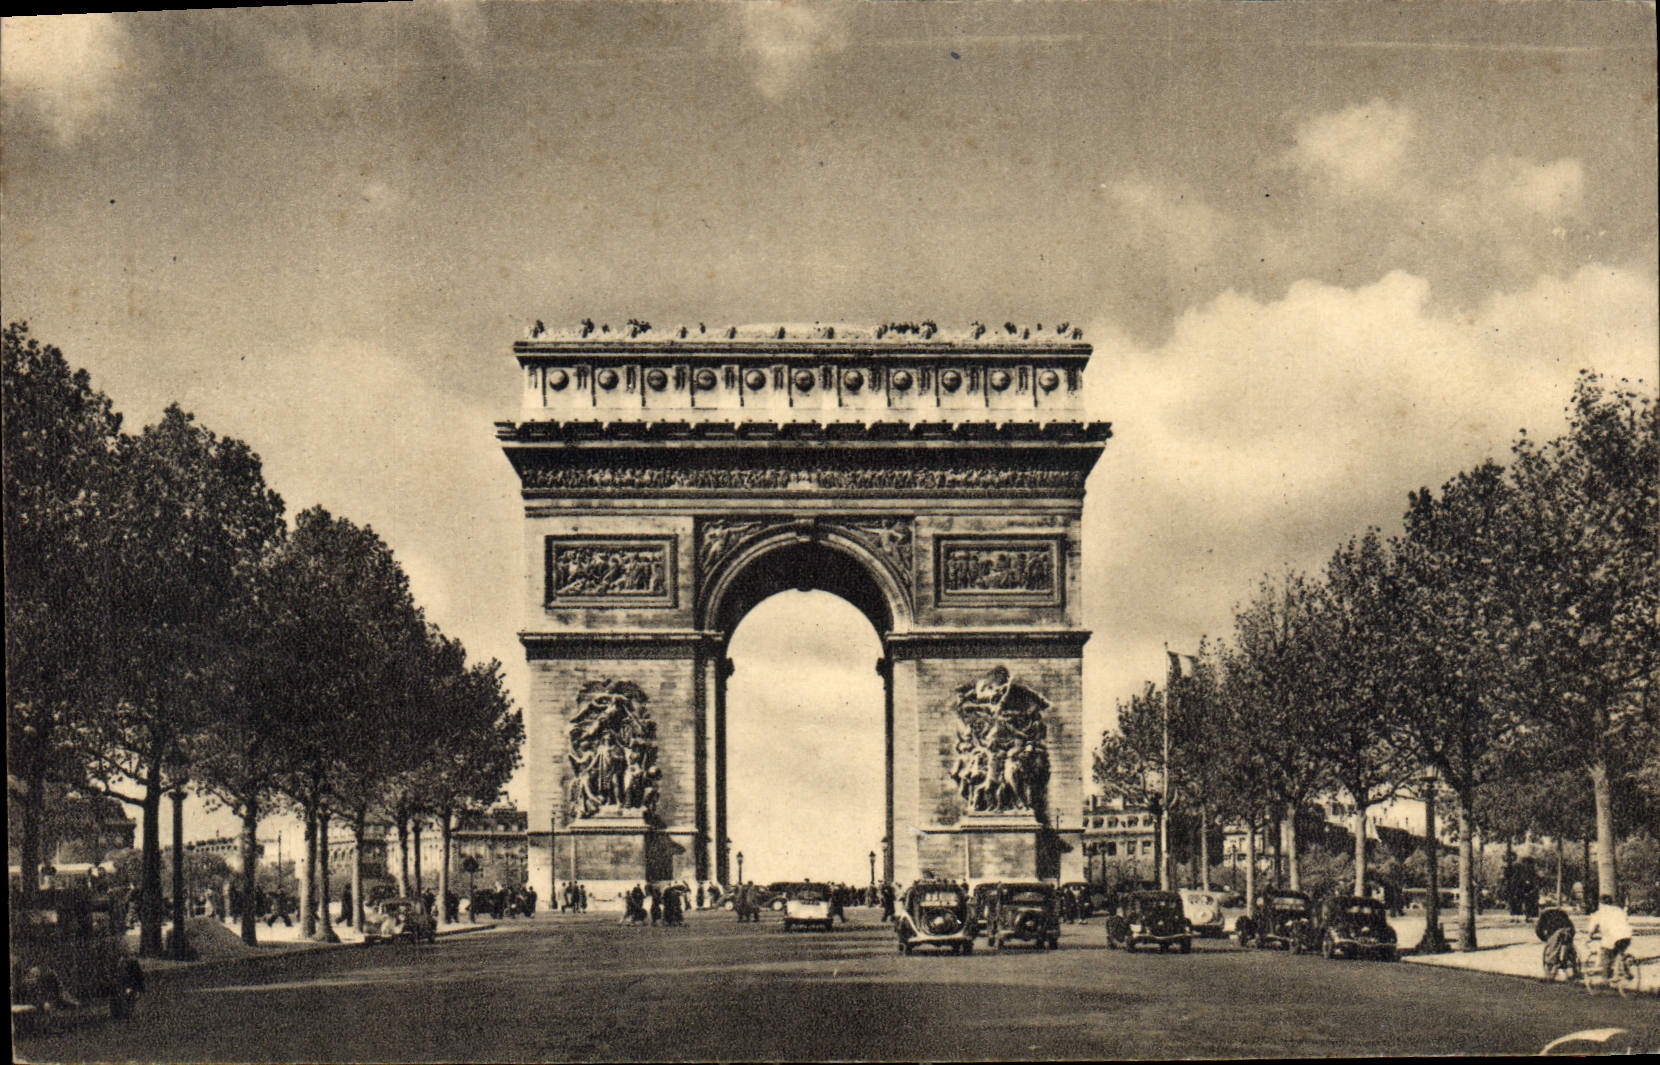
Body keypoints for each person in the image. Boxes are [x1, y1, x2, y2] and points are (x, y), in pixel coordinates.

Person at [1585, 894, 1633, 981]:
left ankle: (1606, 980)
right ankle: (1626, 972)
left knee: (1605, 954)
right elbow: (1625, 920)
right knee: (1619, 952)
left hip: (1613, 937)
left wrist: (1589, 937)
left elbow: (1592, 927)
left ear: (1601, 904)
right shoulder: (1619, 910)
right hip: (1627, 935)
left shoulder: (1599, 913)